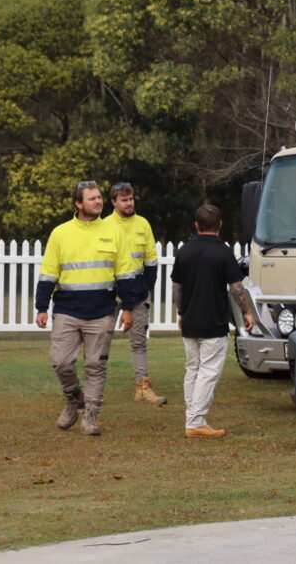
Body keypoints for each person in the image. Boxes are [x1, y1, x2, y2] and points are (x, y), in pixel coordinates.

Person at [35, 181, 137, 435]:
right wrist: (41, 307)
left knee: (95, 366)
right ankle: (73, 400)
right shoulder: (60, 233)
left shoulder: (114, 232)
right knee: (60, 362)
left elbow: (125, 274)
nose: (98, 201)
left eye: (99, 197)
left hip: (102, 312)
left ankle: (90, 416)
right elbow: (48, 273)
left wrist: (128, 308)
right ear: (78, 204)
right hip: (67, 311)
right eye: (91, 198)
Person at [171, 204, 254, 438]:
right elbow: (236, 287)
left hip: (190, 319)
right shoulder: (223, 252)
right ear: (220, 225)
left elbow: (177, 287)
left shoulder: (184, 251)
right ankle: (196, 421)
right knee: (208, 371)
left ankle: (193, 417)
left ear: (196, 225)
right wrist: (247, 312)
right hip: (214, 320)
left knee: (193, 369)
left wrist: (181, 312)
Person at [104, 182, 166, 405]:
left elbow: (151, 261)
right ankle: (94, 389)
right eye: (124, 200)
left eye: (131, 199)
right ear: (113, 202)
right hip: (109, 294)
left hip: (138, 293)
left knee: (139, 342)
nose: (129, 203)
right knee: (100, 341)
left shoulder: (143, 224)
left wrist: (143, 290)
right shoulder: (104, 226)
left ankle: (143, 387)